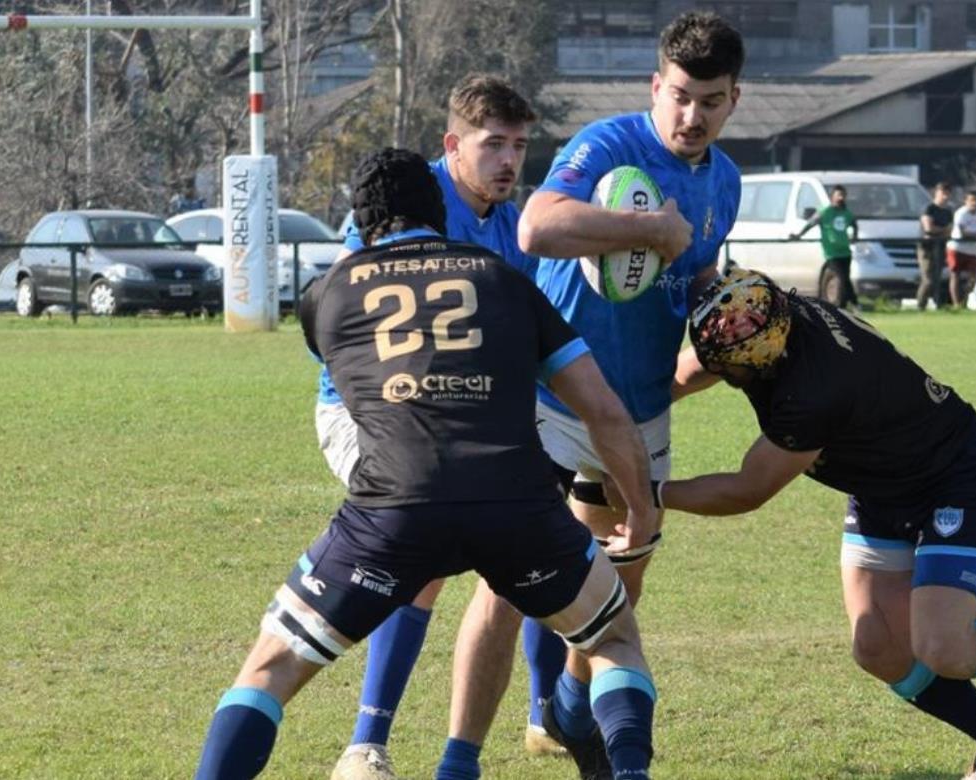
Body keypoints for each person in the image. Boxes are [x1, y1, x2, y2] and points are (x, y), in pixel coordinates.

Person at [194, 148, 661, 780]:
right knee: (611, 638)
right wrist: (640, 508)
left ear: (360, 222)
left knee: (268, 669)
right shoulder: (504, 280)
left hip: (394, 509)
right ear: (439, 211)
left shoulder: (324, 297)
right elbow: (603, 411)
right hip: (516, 505)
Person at [649, 269, 976, 779]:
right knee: (877, 645)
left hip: (952, 474)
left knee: (944, 647)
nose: (720, 370)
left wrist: (649, 493)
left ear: (762, 357)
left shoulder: (813, 393)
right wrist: (620, 407)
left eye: (730, 367)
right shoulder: (772, 315)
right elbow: (696, 367)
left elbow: (747, 489)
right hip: (882, 481)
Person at [449, 12, 745, 778]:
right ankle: (459, 761)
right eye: (679, 95)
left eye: (710, 100)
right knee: (504, 588)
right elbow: (537, 228)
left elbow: (695, 279)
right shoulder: (611, 144)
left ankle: (570, 710)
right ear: (656, 86)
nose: (692, 115)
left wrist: (729, 324)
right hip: (548, 401)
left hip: (639, 411)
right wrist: (649, 229)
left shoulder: (727, 181)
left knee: (615, 590)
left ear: (733, 100)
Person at [316, 77, 562, 780]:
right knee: (423, 543)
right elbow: (345, 320)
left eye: (519, 146)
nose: (508, 161)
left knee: (540, 533)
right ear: (453, 145)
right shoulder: (404, 199)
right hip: (367, 412)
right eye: (493, 145)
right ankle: (366, 744)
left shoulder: (509, 226)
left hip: (470, 414)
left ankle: (546, 715)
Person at [790, 185, 858, 310]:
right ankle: (846, 304)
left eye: (843, 195)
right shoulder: (825, 212)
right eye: (838, 195)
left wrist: (854, 236)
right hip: (832, 252)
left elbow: (854, 223)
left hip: (845, 252)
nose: (841, 198)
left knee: (845, 278)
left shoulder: (845, 212)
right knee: (841, 277)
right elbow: (810, 223)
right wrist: (798, 235)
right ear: (832, 197)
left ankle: (850, 304)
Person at [948, 190, 976, 308]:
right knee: (955, 275)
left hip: (973, 250)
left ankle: (965, 302)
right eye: (972, 200)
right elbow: (964, 234)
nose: (974, 203)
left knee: (973, 278)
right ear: (966, 201)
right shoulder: (960, 214)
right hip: (957, 248)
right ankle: (956, 304)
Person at [915, 182, 952, 310]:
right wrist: (942, 230)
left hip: (940, 246)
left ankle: (938, 305)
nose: (945, 196)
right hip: (927, 247)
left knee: (937, 278)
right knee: (928, 279)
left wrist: (940, 231)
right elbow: (928, 229)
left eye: (947, 193)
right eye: (943, 193)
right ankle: (920, 306)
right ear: (937, 193)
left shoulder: (948, 212)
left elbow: (950, 231)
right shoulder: (929, 208)